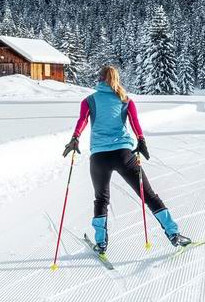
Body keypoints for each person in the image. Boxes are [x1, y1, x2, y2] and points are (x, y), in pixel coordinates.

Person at [63, 65, 191, 250]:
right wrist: (141, 141)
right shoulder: (125, 100)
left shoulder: (89, 101)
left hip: (99, 158)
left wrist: (75, 138)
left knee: (101, 200)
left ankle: (101, 242)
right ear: (116, 79)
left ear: (99, 79)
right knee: (149, 195)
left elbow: (82, 121)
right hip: (124, 155)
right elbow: (135, 123)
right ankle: (173, 233)